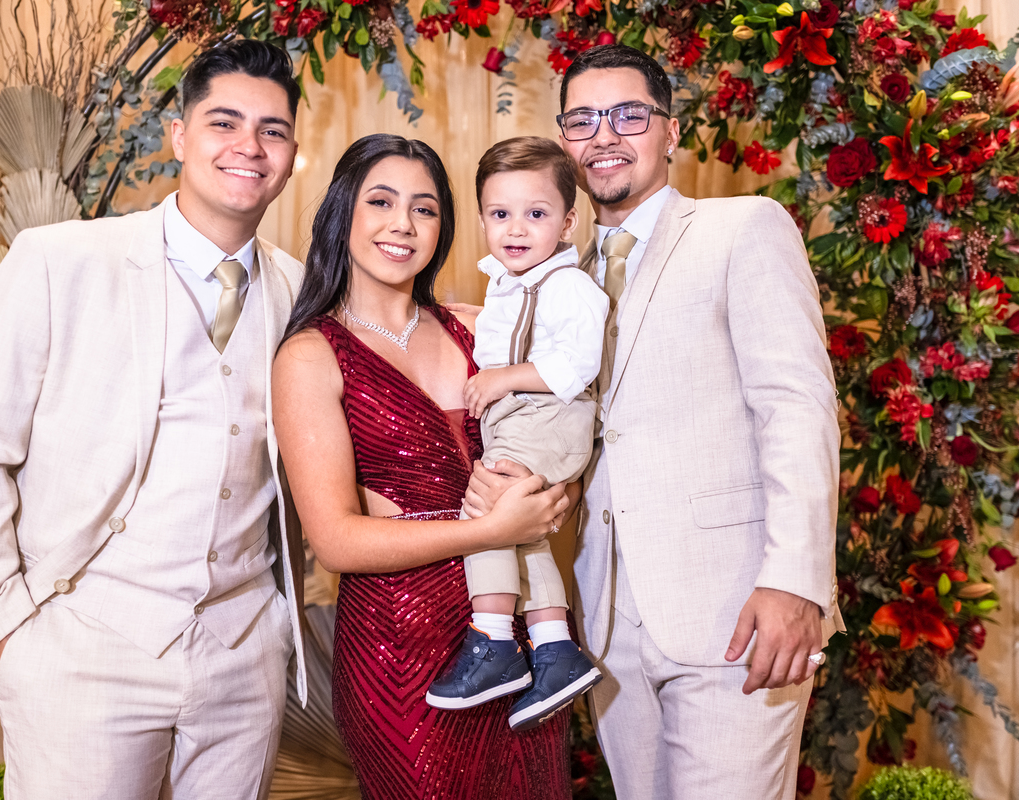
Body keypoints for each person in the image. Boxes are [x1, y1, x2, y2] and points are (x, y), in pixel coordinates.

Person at [0, 40, 307, 799]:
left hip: (243, 652)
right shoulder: (60, 260)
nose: (249, 145)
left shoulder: (300, 290)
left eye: (272, 130)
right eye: (224, 122)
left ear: (293, 155)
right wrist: (3, 633)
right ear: (179, 136)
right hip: (81, 645)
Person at [466, 44, 843, 798]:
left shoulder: (743, 228)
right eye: (582, 119)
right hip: (607, 624)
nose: (603, 135)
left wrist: (796, 582)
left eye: (628, 115)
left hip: (736, 609)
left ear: (671, 131)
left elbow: (797, 409)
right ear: (564, 141)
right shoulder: (547, 271)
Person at [273, 134, 575, 799]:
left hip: (524, 636)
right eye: (381, 202)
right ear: (343, 212)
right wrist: (490, 530)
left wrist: (554, 495)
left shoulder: (482, 332)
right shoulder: (312, 355)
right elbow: (336, 541)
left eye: (425, 208)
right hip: (402, 651)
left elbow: (558, 444)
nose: (403, 224)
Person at [425, 136, 608, 732]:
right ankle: (554, 647)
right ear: (482, 220)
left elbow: (575, 364)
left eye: (536, 213)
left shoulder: (568, 285)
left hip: (547, 416)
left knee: (485, 513)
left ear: (568, 222)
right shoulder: (509, 283)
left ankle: (495, 639)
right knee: (522, 532)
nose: (517, 229)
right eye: (500, 214)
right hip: (527, 420)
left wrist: (504, 376)